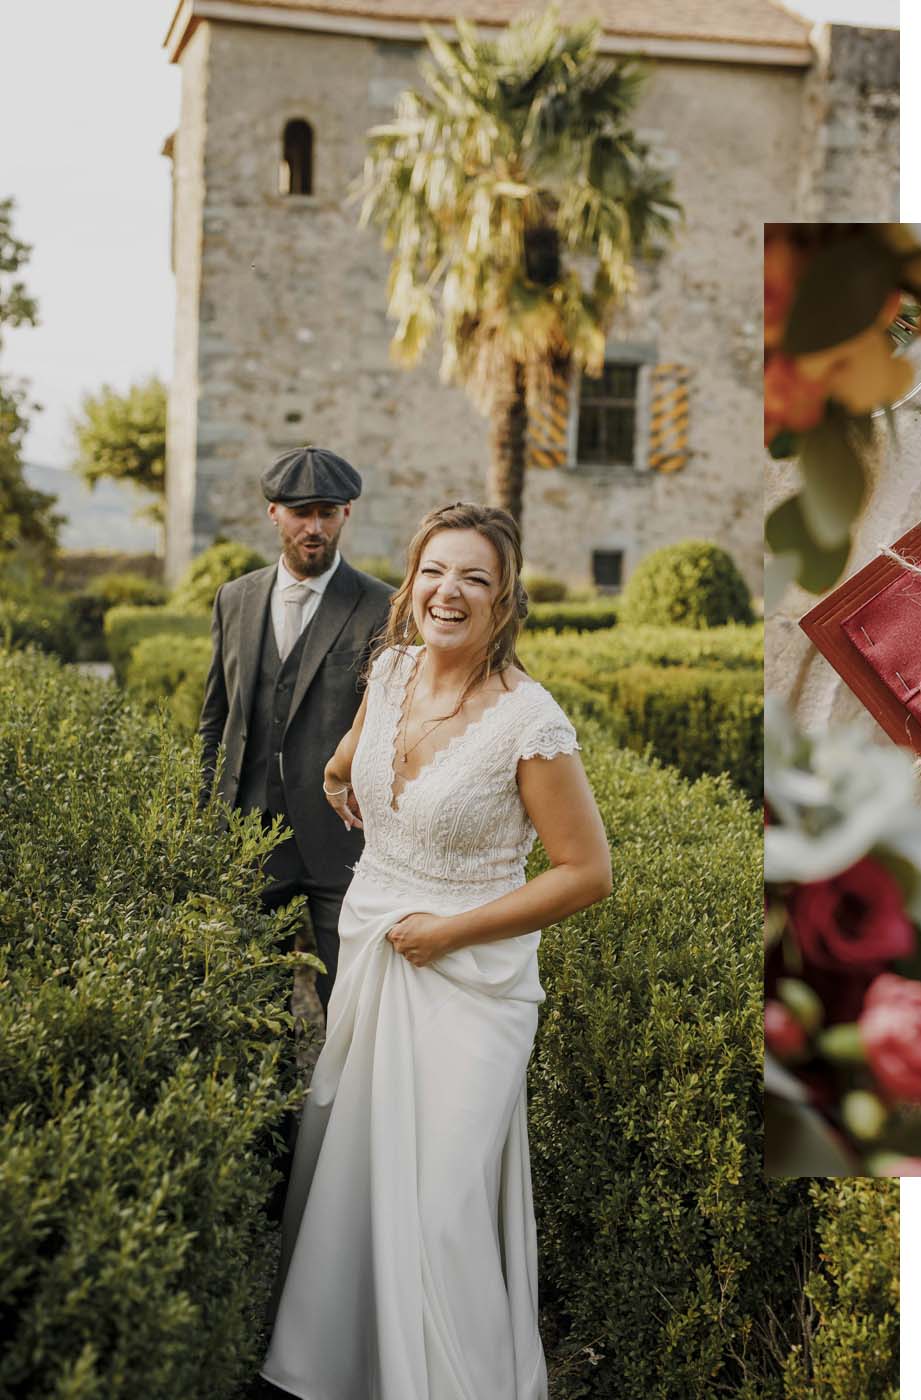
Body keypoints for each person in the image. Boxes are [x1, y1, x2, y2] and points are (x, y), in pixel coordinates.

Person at [261, 502, 612, 1400]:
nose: (448, 593)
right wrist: (343, 771)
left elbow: (585, 873)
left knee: (443, 1196)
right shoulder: (392, 669)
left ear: (504, 601)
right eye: (434, 572)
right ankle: (347, 1366)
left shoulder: (529, 721)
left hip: (470, 976)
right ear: (411, 581)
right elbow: (353, 755)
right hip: (376, 939)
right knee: (357, 1164)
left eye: (474, 579)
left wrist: (451, 931)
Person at [198, 446, 394, 1012]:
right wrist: (208, 816)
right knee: (251, 997)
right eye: (301, 512)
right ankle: (273, 1103)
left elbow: (391, 731)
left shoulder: (381, 605)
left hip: (344, 842)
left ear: (346, 515)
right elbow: (215, 718)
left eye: (327, 513)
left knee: (352, 998)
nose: (314, 527)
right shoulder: (234, 599)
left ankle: (344, 1104)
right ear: (274, 513)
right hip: (250, 837)